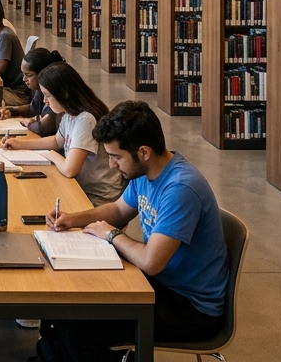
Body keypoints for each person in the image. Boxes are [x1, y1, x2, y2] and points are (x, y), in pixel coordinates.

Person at [41, 102, 228, 362]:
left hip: (190, 307)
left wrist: (112, 236)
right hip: (161, 285)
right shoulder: (144, 172)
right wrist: (72, 219)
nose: (112, 164)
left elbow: (151, 262)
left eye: (116, 157)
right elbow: (118, 211)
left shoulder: (180, 189)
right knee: (66, 307)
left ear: (143, 152)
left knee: (82, 331)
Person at [1, 63, 122, 205]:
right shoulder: (69, 115)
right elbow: (57, 141)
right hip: (80, 187)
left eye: (47, 96)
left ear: (64, 93)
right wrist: (19, 144)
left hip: (97, 198)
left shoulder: (86, 119)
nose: (45, 102)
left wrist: (49, 154)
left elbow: (69, 169)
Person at [0, 46, 62, 138]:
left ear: (43, 73)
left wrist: (29, 123)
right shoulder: (40, 89)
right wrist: (11, 110)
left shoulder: (54, 91)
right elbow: (32, 109)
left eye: (29, 75)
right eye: (23, 74)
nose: (24, 79)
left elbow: (42, 128)